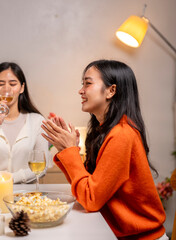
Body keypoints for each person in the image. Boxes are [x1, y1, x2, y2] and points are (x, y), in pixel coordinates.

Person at [42, 60, 167, 240]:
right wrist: (67, 150)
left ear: (111, 90)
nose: (81, 90)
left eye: (88, 83)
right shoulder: (106, 131)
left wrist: (71, 151)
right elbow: (86, 189)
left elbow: (90, 199)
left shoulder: (122, 134)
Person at [0, 62, 50, 184]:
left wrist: (11, 178)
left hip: (25, 195)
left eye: (13, 84)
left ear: (22, 88)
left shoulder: (37, 121)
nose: (6, 89)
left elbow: (42, 166)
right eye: (0, 84)